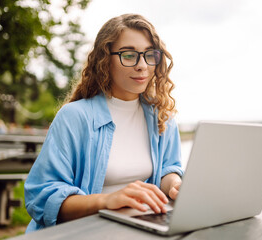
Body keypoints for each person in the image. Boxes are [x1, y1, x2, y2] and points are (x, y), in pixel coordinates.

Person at [24, 13, 183, 232]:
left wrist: (175, 184)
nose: (142, 66)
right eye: (129, 55)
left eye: (149, 55)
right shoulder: (74, 117)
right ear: (105, 59)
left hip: (139, 229)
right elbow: (42, 196)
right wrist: (107, 201)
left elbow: (168, 168)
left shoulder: (162, 116)